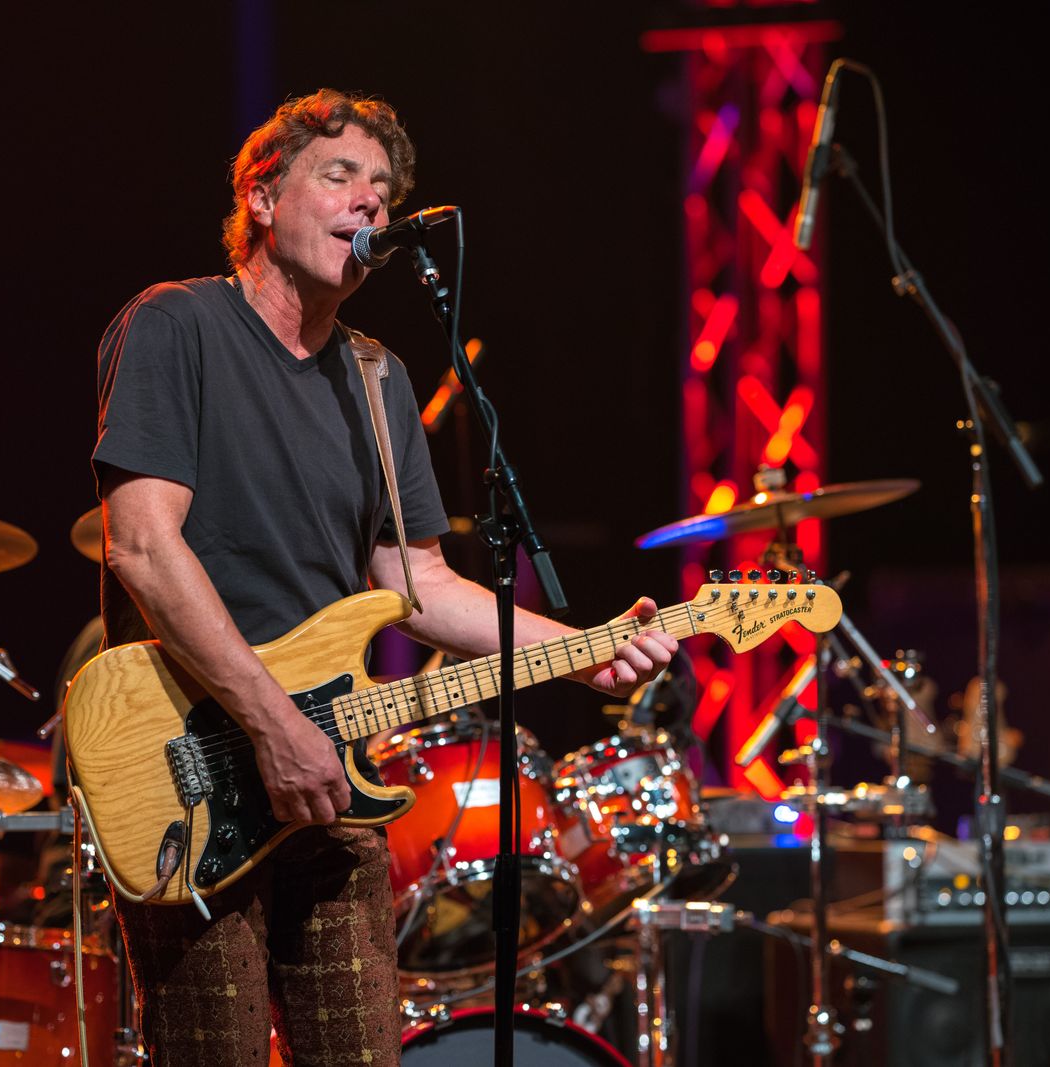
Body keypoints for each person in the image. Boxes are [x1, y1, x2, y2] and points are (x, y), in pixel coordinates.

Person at [92, 88, 677, 1066]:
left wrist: (583, 649)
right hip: (192, 768)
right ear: (262, 197)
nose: (369, 201)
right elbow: (143, 546)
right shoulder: (177, 324)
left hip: (333, 774)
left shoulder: (377, 377)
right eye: (339, 176)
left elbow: (421, 583)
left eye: (382, 188)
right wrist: (272, 726)